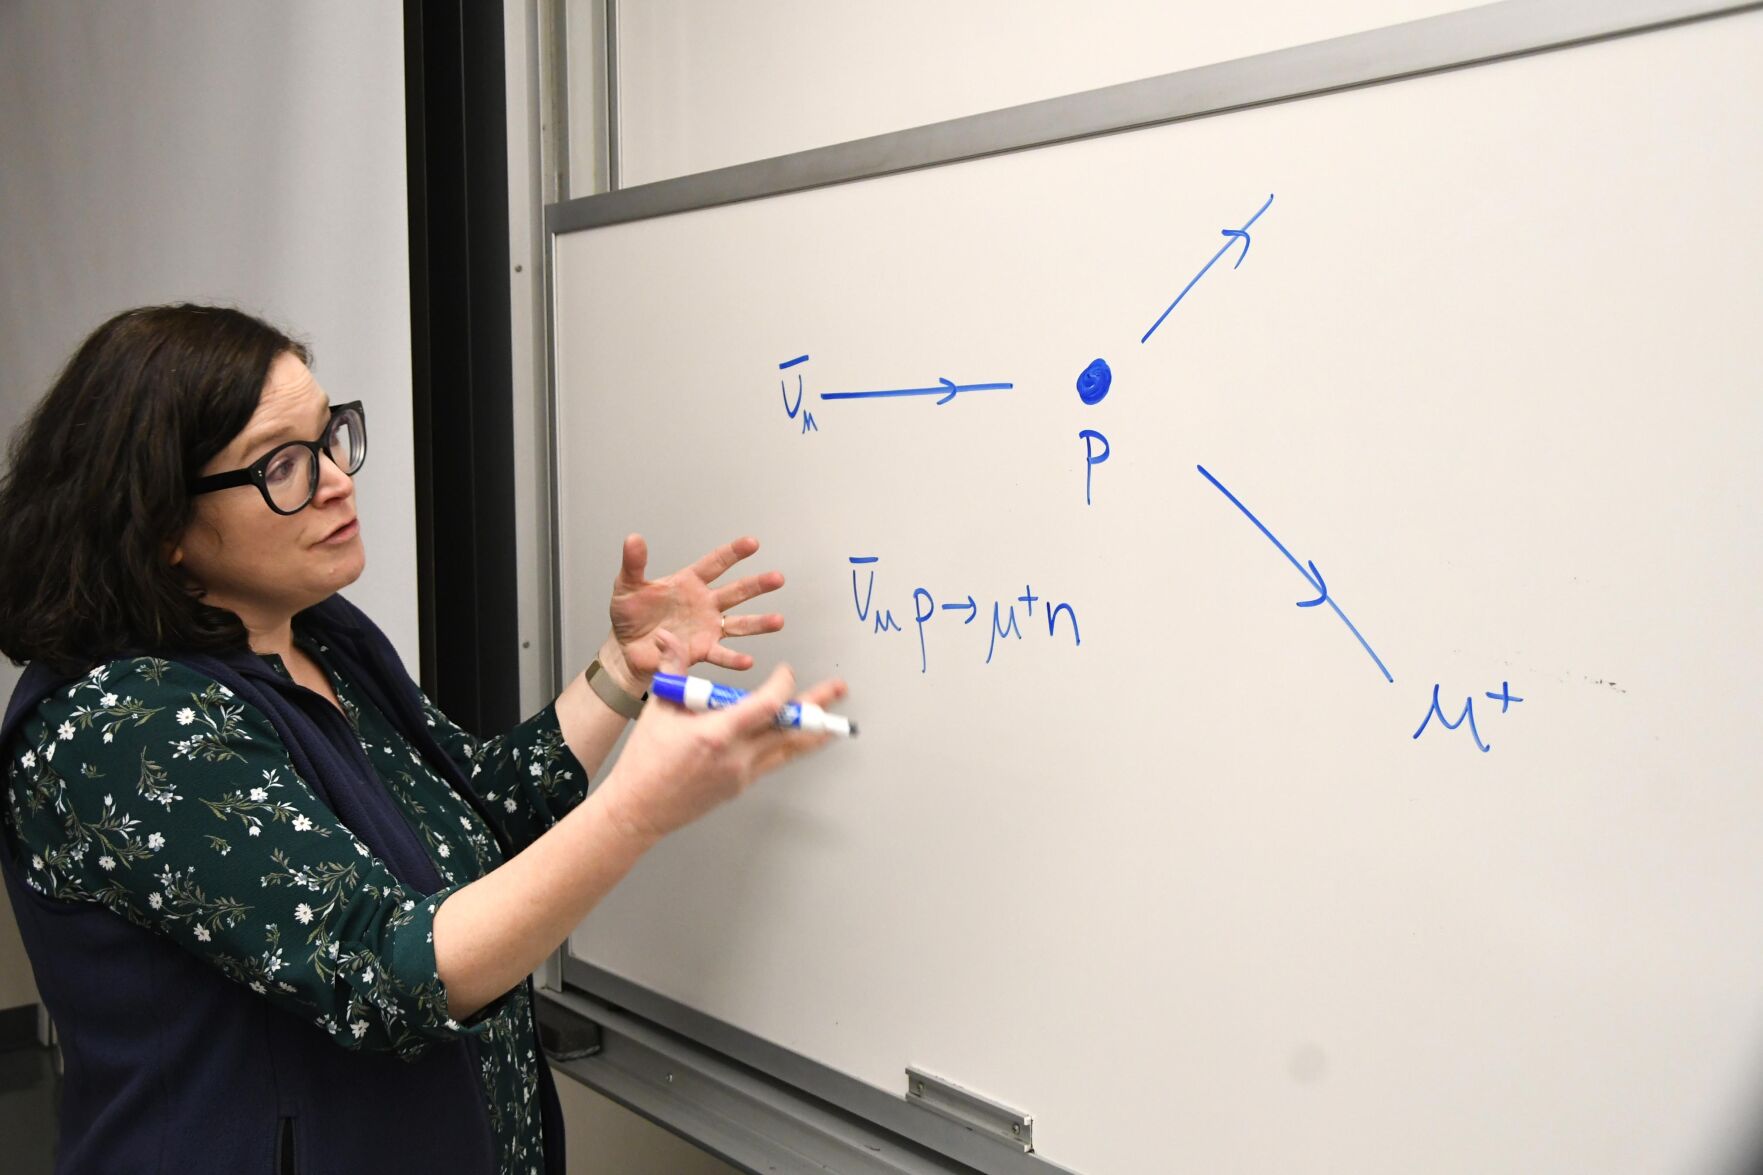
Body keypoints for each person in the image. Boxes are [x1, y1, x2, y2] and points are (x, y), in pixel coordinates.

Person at [0, 303, 845, 1174]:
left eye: (330, 437)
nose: (335, 478)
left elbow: (471, 818)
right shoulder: (121, 728)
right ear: (162, 523)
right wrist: (636, 813)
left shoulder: (317, 635)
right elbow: (382, 969)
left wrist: (620, 673)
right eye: (281, 465)